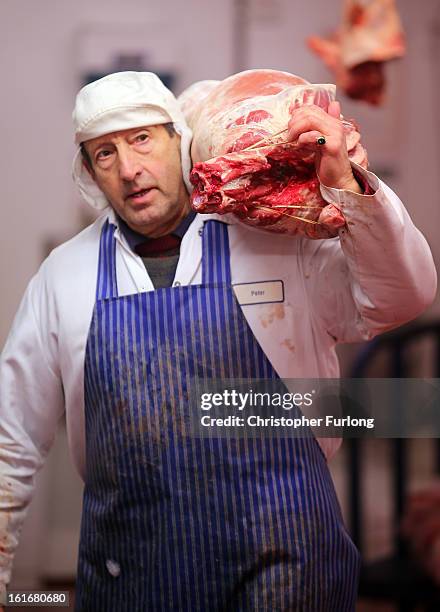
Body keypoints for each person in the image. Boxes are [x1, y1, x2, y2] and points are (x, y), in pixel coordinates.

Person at [0, 70, 436, 611]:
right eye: (104, 154)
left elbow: (402, 297)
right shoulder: (64, 277)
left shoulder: (275, 237)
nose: (130, 169)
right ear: (89, 172)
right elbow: (10, 439)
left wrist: (349, 190)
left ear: (179, 142)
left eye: (141, 139)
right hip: (133, 578)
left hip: (289, 568)